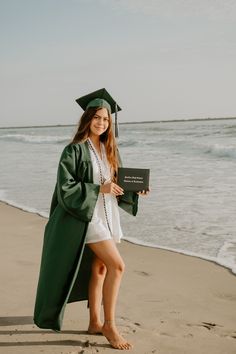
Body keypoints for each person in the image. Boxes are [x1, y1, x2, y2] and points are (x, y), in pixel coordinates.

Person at [34, 88, 148, 350]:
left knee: (100, 269)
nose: (102, 122)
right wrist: (99, 189)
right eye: (97, 117)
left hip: (106, 215)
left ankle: (95, 321)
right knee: (118, 266)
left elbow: (119, 183)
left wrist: (137, 189)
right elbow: (66, 188)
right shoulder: (73, 150)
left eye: (106, 119)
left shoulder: (110, 150)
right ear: (87, 119)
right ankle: (109, 324)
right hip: (85, 217)